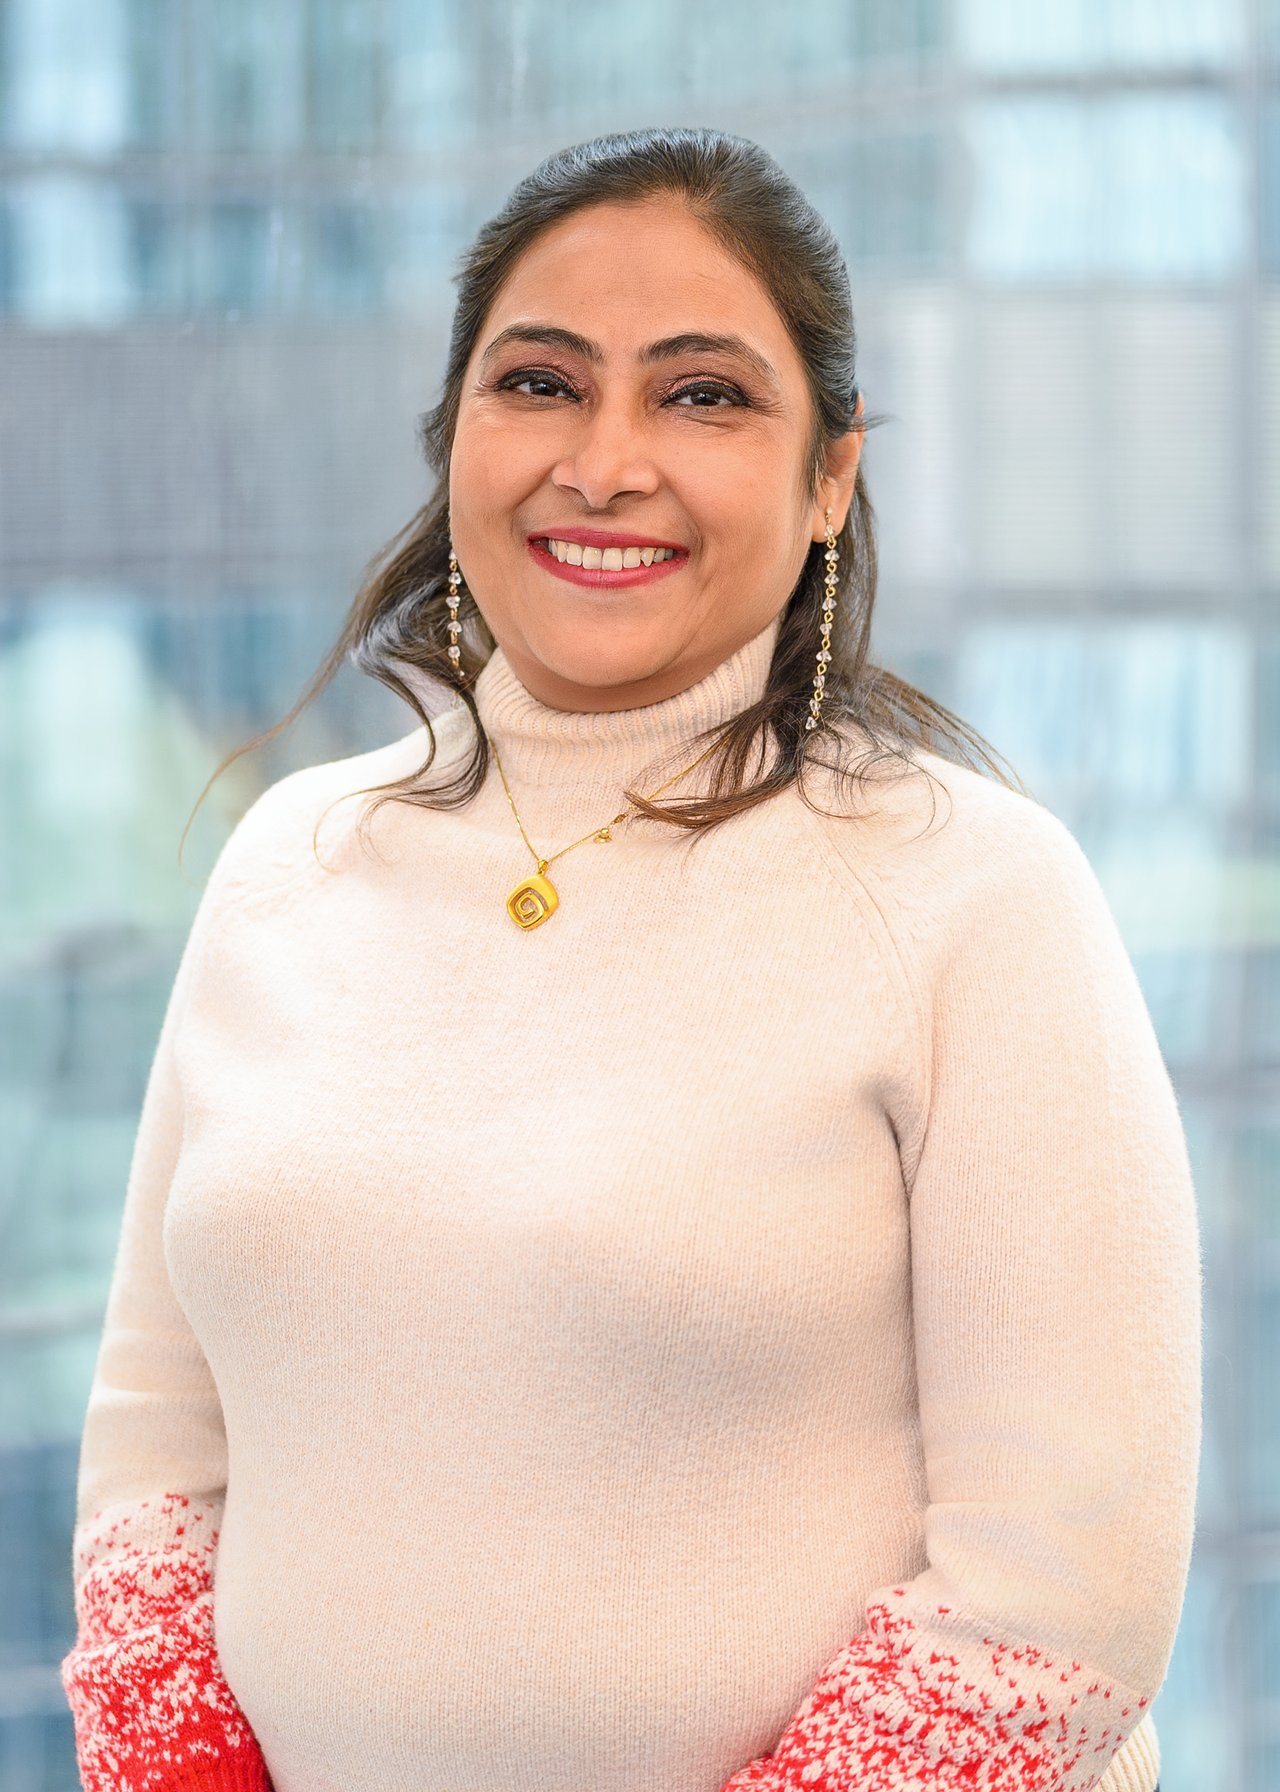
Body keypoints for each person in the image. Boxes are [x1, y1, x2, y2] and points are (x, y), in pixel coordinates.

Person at [59, 125, 1199, 1792]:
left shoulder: (975, 894)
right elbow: (154, 1452)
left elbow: (1060, 1593)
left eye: (704, 395)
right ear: (454, 434)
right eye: (540, 383)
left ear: (832, 478)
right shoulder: (290, 861)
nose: (604, 463)